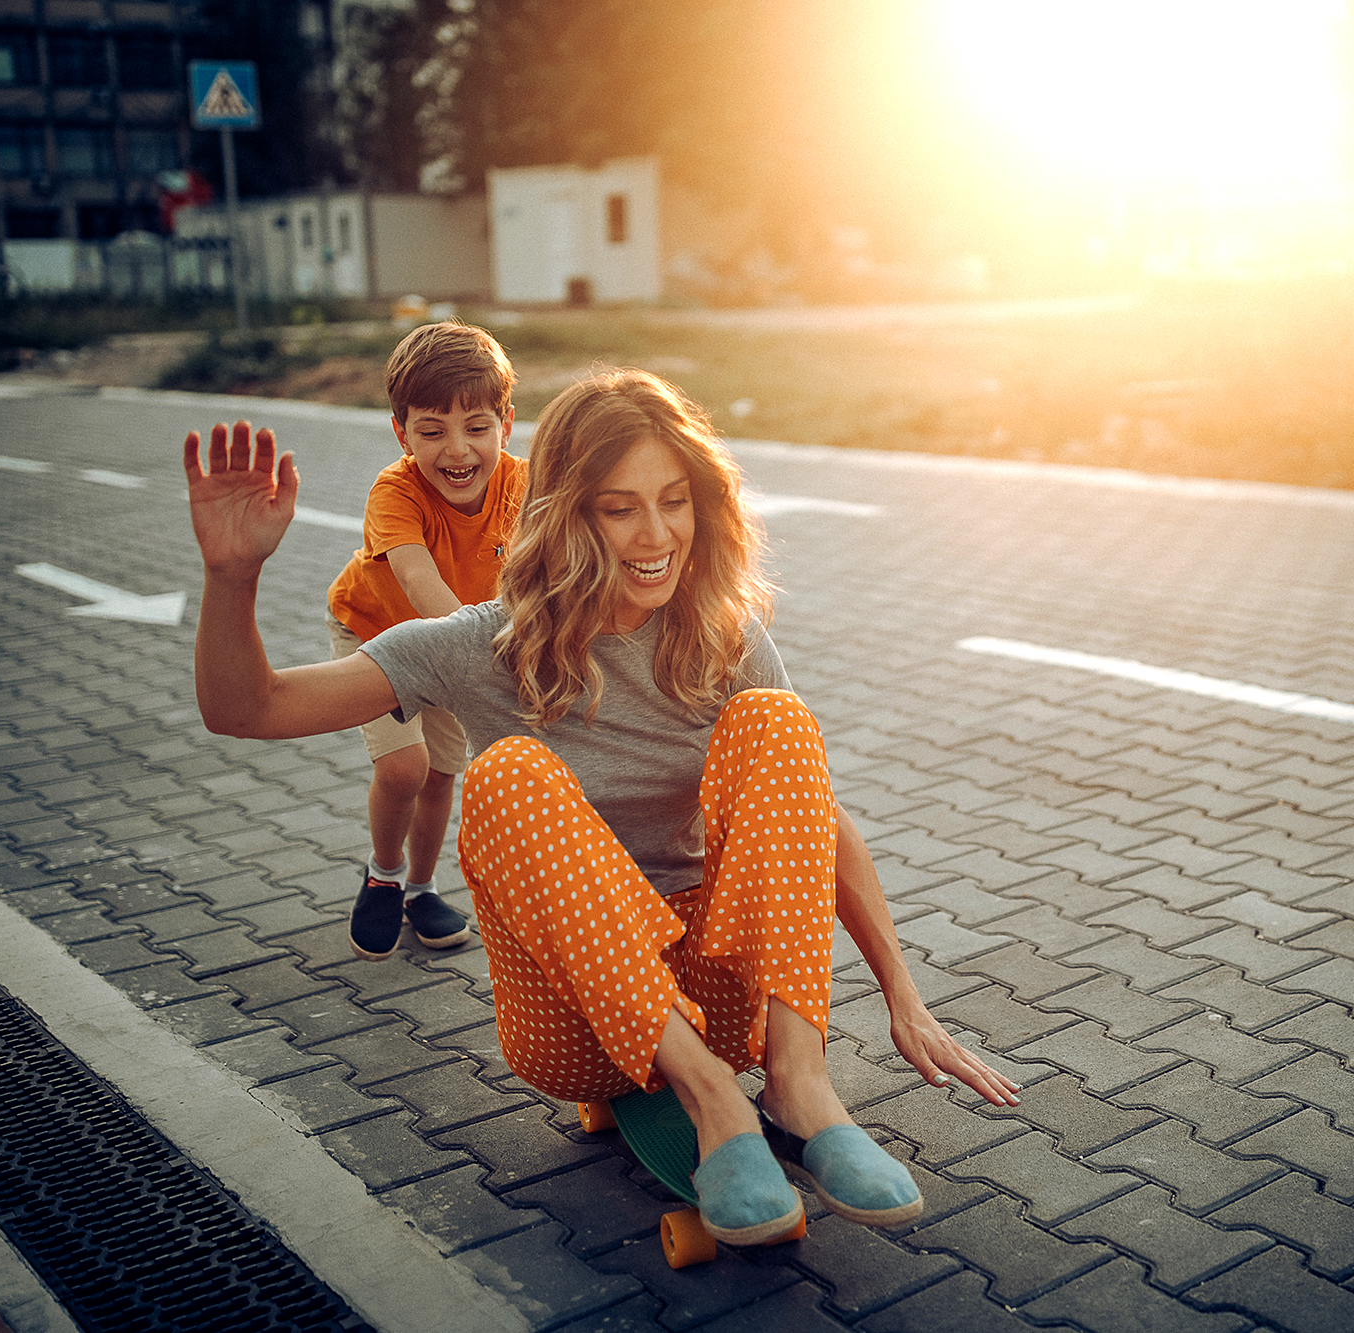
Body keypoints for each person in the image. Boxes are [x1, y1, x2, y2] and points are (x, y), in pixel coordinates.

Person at [184, 368, 1020, 1244]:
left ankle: (798, 1084)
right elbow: (248, 709)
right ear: (566, 513)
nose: (656, 535)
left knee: (779, 721)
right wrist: (230, 577)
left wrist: (903, 993)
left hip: (722, 995)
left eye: (675, 501)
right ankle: (711, 1104)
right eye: (620, 508)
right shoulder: (477, 647)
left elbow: (812, 816)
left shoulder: (723, 633)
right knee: (508, 772)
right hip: (572, 1020)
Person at [325, 321, 527, 961]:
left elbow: (546, 570)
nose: (457, 450)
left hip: (458, 641)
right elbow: (416, 576)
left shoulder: (523, 486)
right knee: (404, 766)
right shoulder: (395, 491)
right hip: (381, 631)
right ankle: (382, 876)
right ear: (401, 433)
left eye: (477, 427)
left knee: (442, 774)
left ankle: (420, 887)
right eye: (431, 431)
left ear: (506, 424)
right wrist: (486, 650)